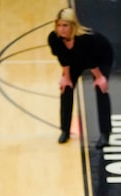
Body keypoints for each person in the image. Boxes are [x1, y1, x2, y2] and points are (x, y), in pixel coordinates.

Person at [48, 7, 113, 147]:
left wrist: (99, 78)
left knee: (101, 89)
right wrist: (66, 77)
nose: (61, 29)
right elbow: (63, 58)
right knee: (66, 88)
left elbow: (91, 61)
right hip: (75, 60)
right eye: (59, 25)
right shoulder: (54, 38)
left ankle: (105, 134)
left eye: (65, 25)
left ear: (73, 25)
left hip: (101, 56)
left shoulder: (85, 39)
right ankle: (64, 130)